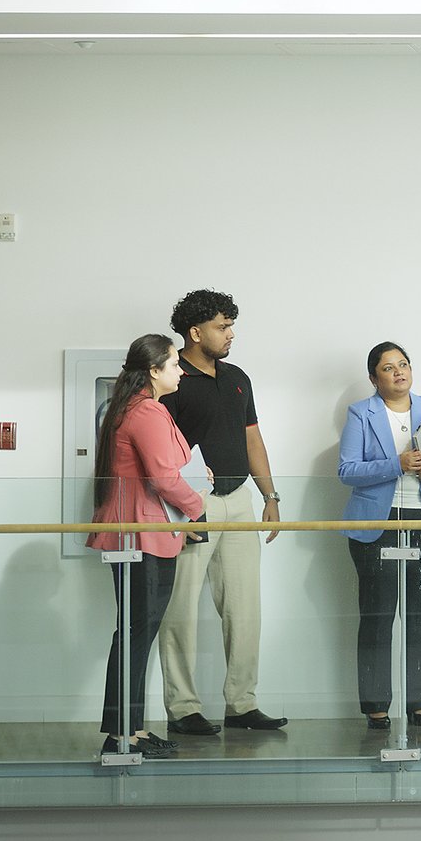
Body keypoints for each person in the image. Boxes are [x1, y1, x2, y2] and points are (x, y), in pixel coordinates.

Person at [158, 288, 289, 737]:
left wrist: (270, 497)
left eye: (231, 325)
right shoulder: (171, 379)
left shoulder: (237, 377)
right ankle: (182, 708)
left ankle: (242, 703)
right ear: (195, 332)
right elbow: (160, 453)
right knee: (181, 610)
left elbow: (253, 438)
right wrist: (185, 508)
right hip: (193, 506)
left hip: (240, 504)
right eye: (222, 326)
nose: (231, 334)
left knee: (244, 607)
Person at [336, 342, 421, 730]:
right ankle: (376, 707)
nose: (399, 372)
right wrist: (396, 464)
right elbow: (346, 470)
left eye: (404, 365)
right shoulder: (361, 413)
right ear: (374, 378)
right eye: (389, 367)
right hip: (376, 527)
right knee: (377, 617)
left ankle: (419, 704)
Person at [90, 333, 209, 759]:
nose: (181, 370)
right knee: (136, 635)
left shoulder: (136, 409)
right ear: (154, 370)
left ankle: (131, 729)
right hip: (140, 536)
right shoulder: (146, 412)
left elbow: (162, 473)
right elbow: (163, 478)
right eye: (175, 364)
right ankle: (121, 733)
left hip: (142, 532)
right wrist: (197, 508)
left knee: (137, 634)